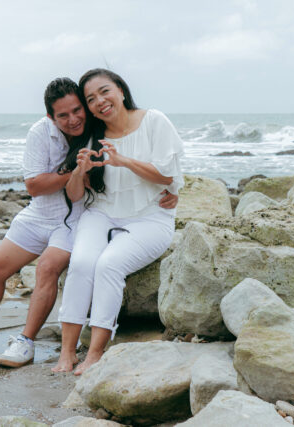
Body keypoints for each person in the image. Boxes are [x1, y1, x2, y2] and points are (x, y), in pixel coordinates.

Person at [0, 77, 178, 368]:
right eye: (63, 115)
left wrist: (174, 189)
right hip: (40, 213)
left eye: (78, 110)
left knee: (48, 267)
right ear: (51, 117)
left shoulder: (96, 126)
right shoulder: (43, 131)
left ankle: (26, 341)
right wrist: (77, 172)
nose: (73, 119)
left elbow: (157, 163)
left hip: (75, 218)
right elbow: (34, 185)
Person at [53, 68, 184, 375]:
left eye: (105, 91)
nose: (100, 101)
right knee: (82, 262)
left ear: (121, 90)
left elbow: (167, 176)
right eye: (91, 99)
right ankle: (67, 351)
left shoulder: (154, 121)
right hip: (101, 212)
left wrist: (123, 160)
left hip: (151, 217)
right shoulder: (92, 136)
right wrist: (79, 172)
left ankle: (95, 352)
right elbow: (75, 195)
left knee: (109, 264)